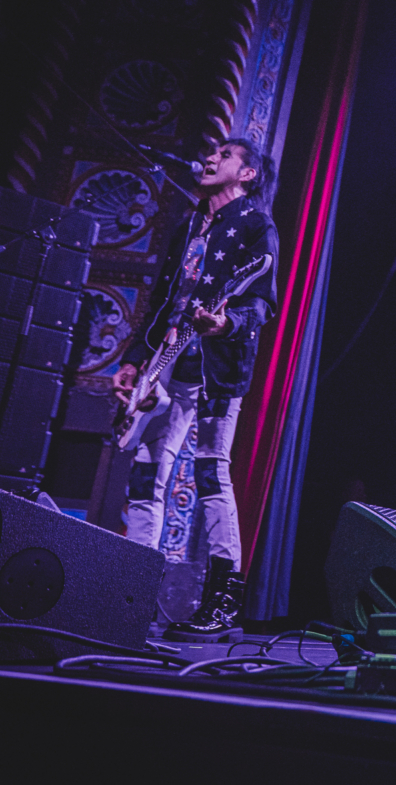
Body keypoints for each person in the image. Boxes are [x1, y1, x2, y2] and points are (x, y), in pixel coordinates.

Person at [113, 139, 278, 637]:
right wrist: (134, 359)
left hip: (216, 369)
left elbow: (261, 304)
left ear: (247, 174)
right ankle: (133, 592)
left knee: (210, 473)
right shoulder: (189, 224)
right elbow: (163, 300)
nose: (211, 157)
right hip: (165, 365)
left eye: (225, 154)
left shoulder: (256, 225)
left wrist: (224, 324)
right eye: (213, 152)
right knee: (146, 473)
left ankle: (223, 600)